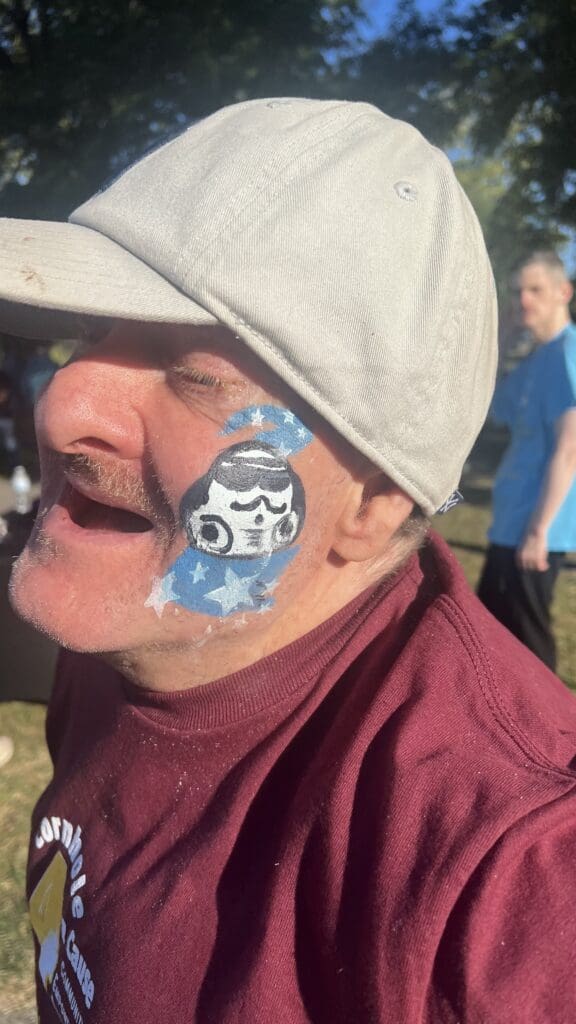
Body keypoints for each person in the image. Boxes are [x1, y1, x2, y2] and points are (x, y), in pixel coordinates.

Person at [0, 98, 575, 1024]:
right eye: (92, 335)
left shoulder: (502, 882)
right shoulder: (133, 620)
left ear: (378, 499)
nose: (67, 400)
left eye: (197, 376)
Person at [477, 251, 576, 670]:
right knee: (485, 634)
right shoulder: (535, 359)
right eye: (519, 291)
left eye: (536, 290)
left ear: (563, 292)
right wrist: (499, 339)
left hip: (537, 532)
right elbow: (490, 407)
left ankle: (555, 734)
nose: (525, 301)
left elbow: (569, 448)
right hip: (509, 525)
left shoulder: (568, 354)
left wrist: (539, 530)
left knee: (529, 651)